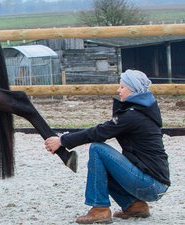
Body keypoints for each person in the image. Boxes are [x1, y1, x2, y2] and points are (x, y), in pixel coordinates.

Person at [44, 69, 170, 224]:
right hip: (155, 184)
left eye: (122, 87)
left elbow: (99, 132)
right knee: (103, 165)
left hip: (150, 184)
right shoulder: (142, 112)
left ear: (133, 89)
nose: (118, 90)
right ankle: (134, 205)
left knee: (97, 148)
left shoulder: (133, 116)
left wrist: (62, 141)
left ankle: (100, 209)